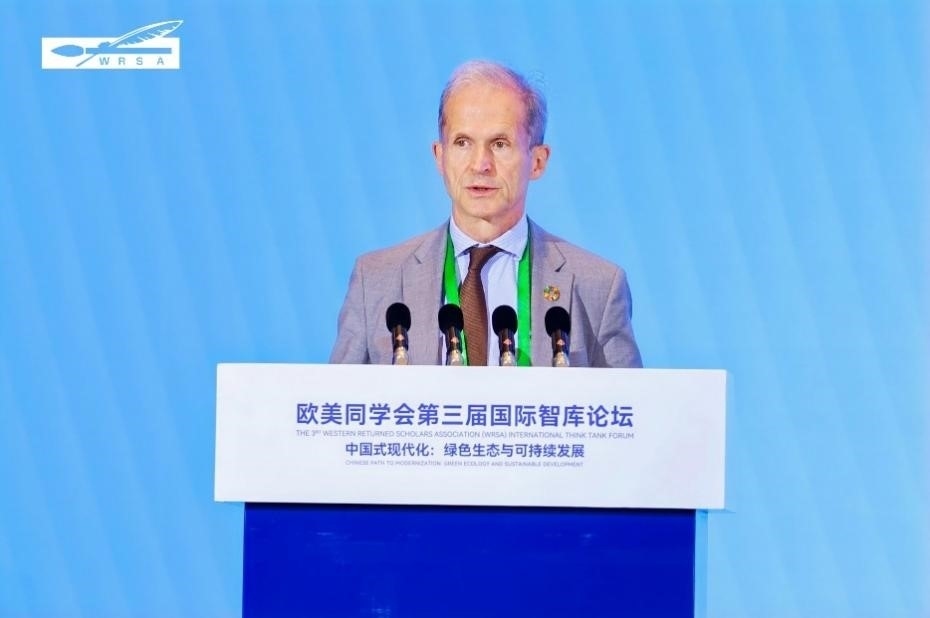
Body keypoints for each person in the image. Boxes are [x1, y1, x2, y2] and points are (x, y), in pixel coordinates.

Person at [330, 60, 642, 368]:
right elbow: (336, 398)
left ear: (538, 162)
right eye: (462, 142)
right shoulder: (375, 282)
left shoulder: (598, 287)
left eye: (500, 144)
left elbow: (629, 401)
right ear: (440, 157)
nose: (480, 164)